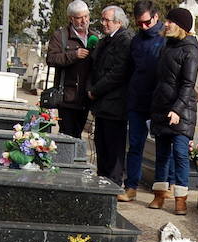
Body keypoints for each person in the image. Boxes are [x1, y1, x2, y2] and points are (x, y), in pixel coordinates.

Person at [147, 7, 198, 216]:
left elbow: (188, 84)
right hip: (162, 108)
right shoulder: (167, 45)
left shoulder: (190, 50)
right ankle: (159, 195)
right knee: (161, 155)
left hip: (181, 112)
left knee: (179, 154)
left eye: (170, 21)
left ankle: (180, 199)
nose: (166, 24)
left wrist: (177, 110)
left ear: (181, 26)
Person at [120, 0, 172, 203]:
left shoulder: (167, 38)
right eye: (139, 23)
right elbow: (130, 69)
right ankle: (131, 186)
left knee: (162, 147)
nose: (143, 27)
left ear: (156, 16)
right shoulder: (136, 40)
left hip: (159, 101)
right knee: (135, 145)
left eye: (147, 22)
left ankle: (162, 187)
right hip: (137, 99)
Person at [88, 6, 134, 186]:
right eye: (103, 19)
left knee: (113, 146)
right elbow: (96, 67)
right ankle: (102, 178)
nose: (103, 23)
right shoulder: (105, 40)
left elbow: (118, 72)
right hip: (102, 103)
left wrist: (95, 90)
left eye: (107, 20)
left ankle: (113, 182)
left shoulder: (125, 40)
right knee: (101, 143)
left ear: (118, 22)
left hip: (115, 103)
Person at [46, 0, 94, 139]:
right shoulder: (61, 36)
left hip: (85, 98)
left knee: (78, 136)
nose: (84, 21)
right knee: (67, 136)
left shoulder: (94, 36)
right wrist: (73, 55)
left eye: (86, 16)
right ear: (71, 19)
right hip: (67, 97)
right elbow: (51, 59)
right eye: (79, 18)